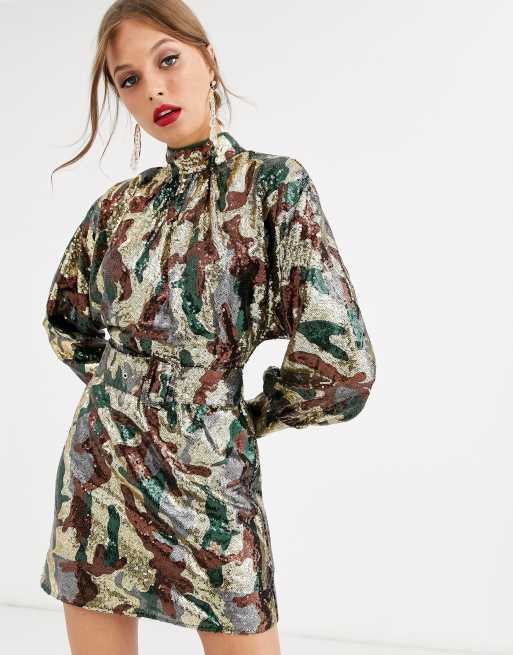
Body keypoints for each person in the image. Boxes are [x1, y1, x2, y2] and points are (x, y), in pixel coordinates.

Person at [39, 1, 377, 653]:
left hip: (210, 474)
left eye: (167, 60)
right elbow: (65, 320)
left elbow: (341, 362)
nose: (153, 89)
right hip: (100, 471)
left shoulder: (273, 186)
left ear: (208, 59)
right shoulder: (118, 207)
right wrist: (131, 393)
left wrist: (244, 416)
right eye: (129, 79)